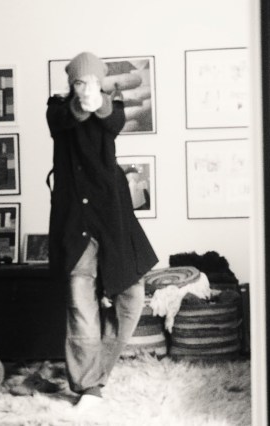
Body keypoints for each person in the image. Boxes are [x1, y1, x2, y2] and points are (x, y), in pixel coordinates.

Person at [45, 51, 158, 410]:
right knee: (81, 308)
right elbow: (65, 118)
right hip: (74, 222)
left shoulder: (113, 104)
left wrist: (99, 101)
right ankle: (88, 386)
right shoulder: (57, 108)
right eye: (79, 81)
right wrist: (82, 102)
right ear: (71, 84)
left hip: (113, 218)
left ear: (101, 82)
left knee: (131, 298)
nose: (86, 86)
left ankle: (98, 374)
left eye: (92, 80)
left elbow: (112, 120)